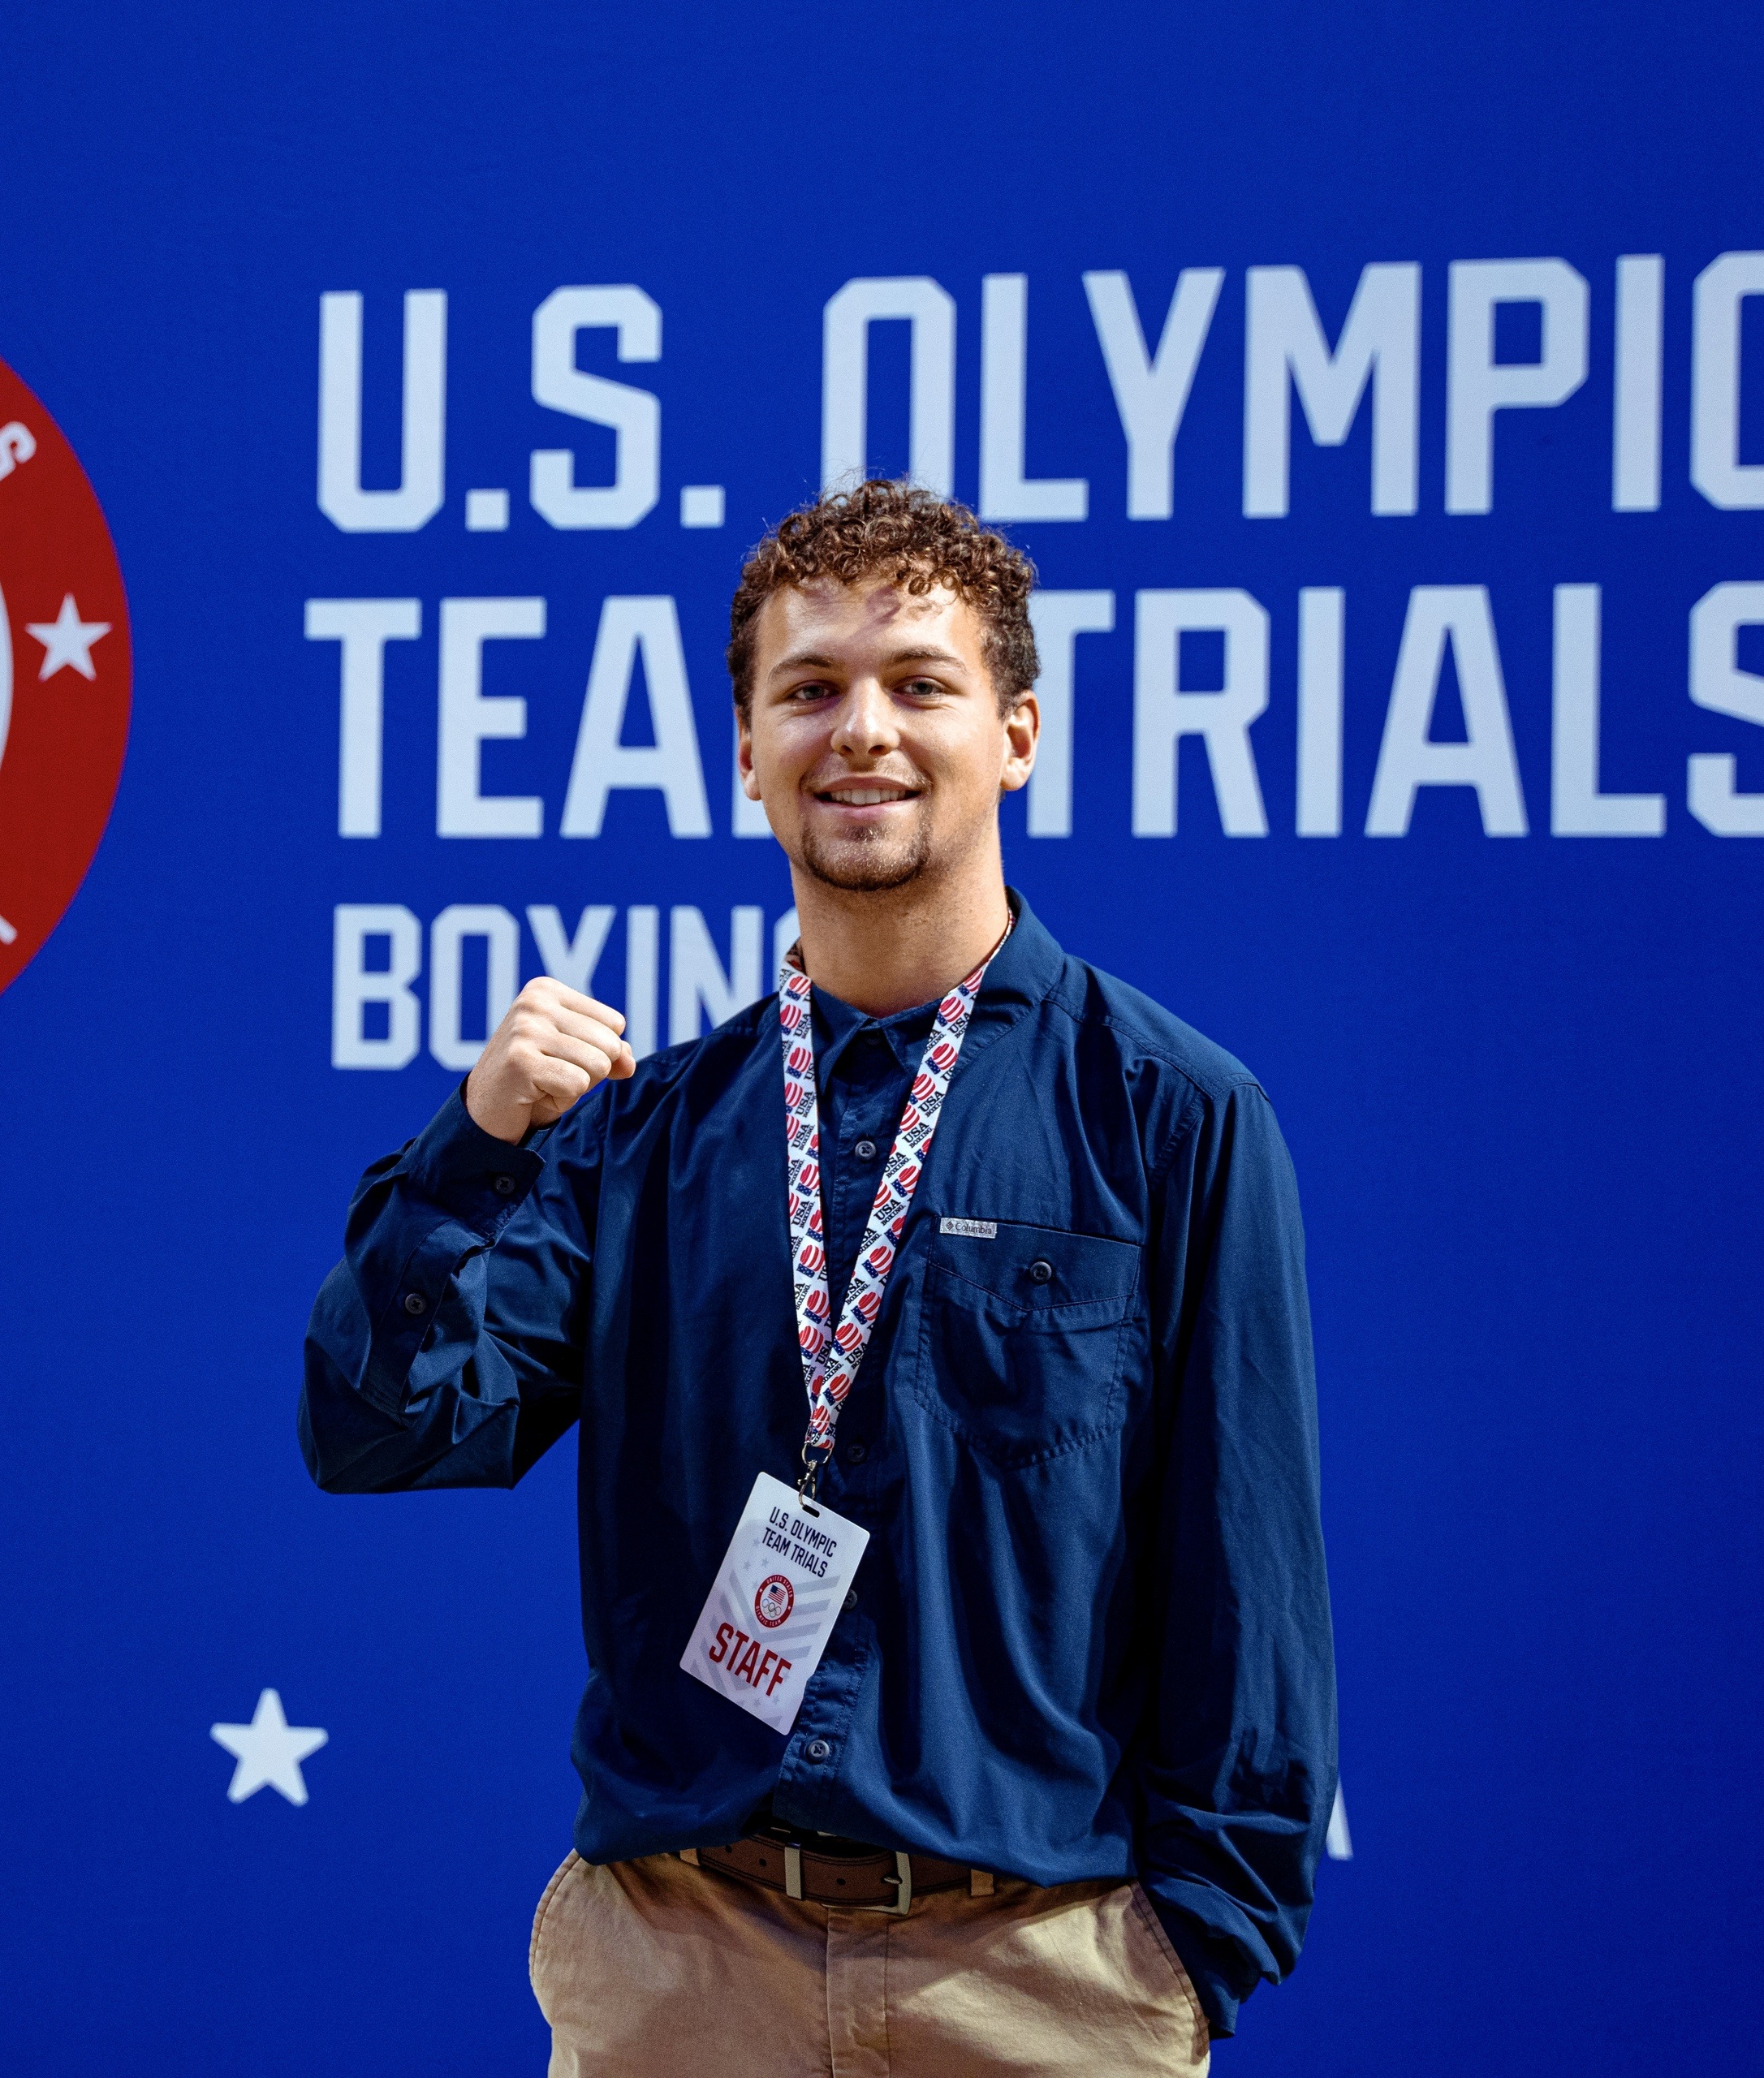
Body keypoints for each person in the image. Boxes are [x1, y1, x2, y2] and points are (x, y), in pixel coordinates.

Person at [300, 481, 1334, 2076]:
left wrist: (1190, 1953)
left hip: (1040, 1983)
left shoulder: (1173, 1114)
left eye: (919, 682)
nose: (863, 729)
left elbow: (1250, 1579)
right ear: (745, 750)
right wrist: (473, 1149)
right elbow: (381, 1431)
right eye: (810, 689)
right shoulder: (639, 1134)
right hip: (679, 1968)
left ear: (1019, 733)